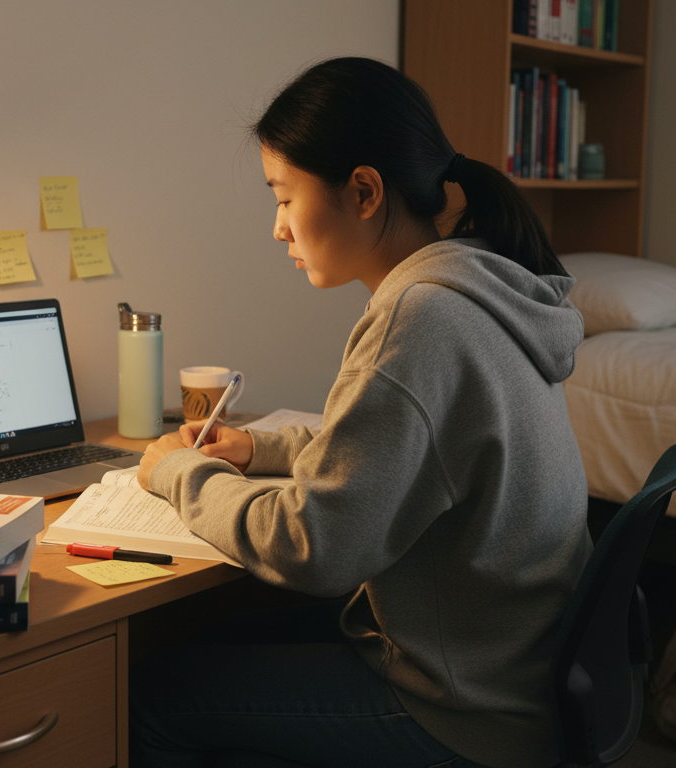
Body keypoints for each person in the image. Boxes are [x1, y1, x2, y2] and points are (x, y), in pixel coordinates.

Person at [131, 57, 592, 768]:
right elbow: (410, 448)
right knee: (203, 642)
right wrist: (259, 449)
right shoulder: (478, 286)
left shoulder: (420, 318)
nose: (278, 229)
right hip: (513, 671)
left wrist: (180, 473)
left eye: (285, 198)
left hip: (462, 709)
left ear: (365, 192)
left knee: (149, 697)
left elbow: (313, 547)